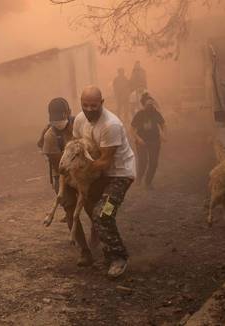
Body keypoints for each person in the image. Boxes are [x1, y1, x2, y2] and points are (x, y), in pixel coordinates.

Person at [73, 85, 136, 278]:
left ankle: (119, 257)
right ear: (81, 103)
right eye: (86, 105)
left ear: (102, 103)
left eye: (94, 105)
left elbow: (104, 162)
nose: (89, 109)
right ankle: (108, 250)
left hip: (119, 175)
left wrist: (79, 170)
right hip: (98, 174)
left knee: (103, 213)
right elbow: (77, 146)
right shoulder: (79, 119)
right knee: (93, 210)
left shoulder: (111, 125)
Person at [40, 97, 93, 267]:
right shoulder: (50, 136)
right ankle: (84, 251)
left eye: (61, 118)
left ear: (69, 113)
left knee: (93, 207)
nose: (59, 123)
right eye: (54, 120)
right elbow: (59, 165)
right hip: (63, 174)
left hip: (85, 172)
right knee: (70, 211)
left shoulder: (79, 124)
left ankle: (98, 233)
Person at [131, 93, 166, 189]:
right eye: (148, 105)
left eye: (152, 105)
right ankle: (139, 178)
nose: (150, 107)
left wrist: (163, 134)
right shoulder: (139, 114)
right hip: (141, 141)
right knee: (143, 161)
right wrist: (138, 138)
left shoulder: (155, 113)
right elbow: (132, 129)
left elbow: (163, 124)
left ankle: (148, 182)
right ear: (144, 105)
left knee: (154, 162)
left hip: (154, 140)